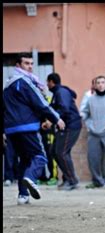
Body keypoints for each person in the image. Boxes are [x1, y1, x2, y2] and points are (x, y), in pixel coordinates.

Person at [3, 53, 65, 204]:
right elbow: (40, 103)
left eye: (31, 63)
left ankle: (22, 196)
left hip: (11, 129)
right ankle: (30, 179)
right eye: (26, 63)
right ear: (18, 66)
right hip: (27, 126)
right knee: (40, 156)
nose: (30, 66)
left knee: (24, 160)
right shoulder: (25, 81)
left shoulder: (6, 86)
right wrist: (56, 119)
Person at [81, 75, 105, 189]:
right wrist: (89, 125)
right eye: (98, 83)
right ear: (95, 85)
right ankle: (98, 181)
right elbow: (84, 113)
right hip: (94, 134)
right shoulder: (91, 99)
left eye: (103, 82)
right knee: (93, 158)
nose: (101, 85)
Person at [47, 72, 82, 191]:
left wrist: (53, 121)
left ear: (51, 82)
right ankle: (68, 178)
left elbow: (64, 109)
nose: (47, 84)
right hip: (65, 126)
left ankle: (73, 181)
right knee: (54, 151)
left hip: (71, 126)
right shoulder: (57, 93)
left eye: (48, 82)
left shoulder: (61, 92)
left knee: (61, 152)